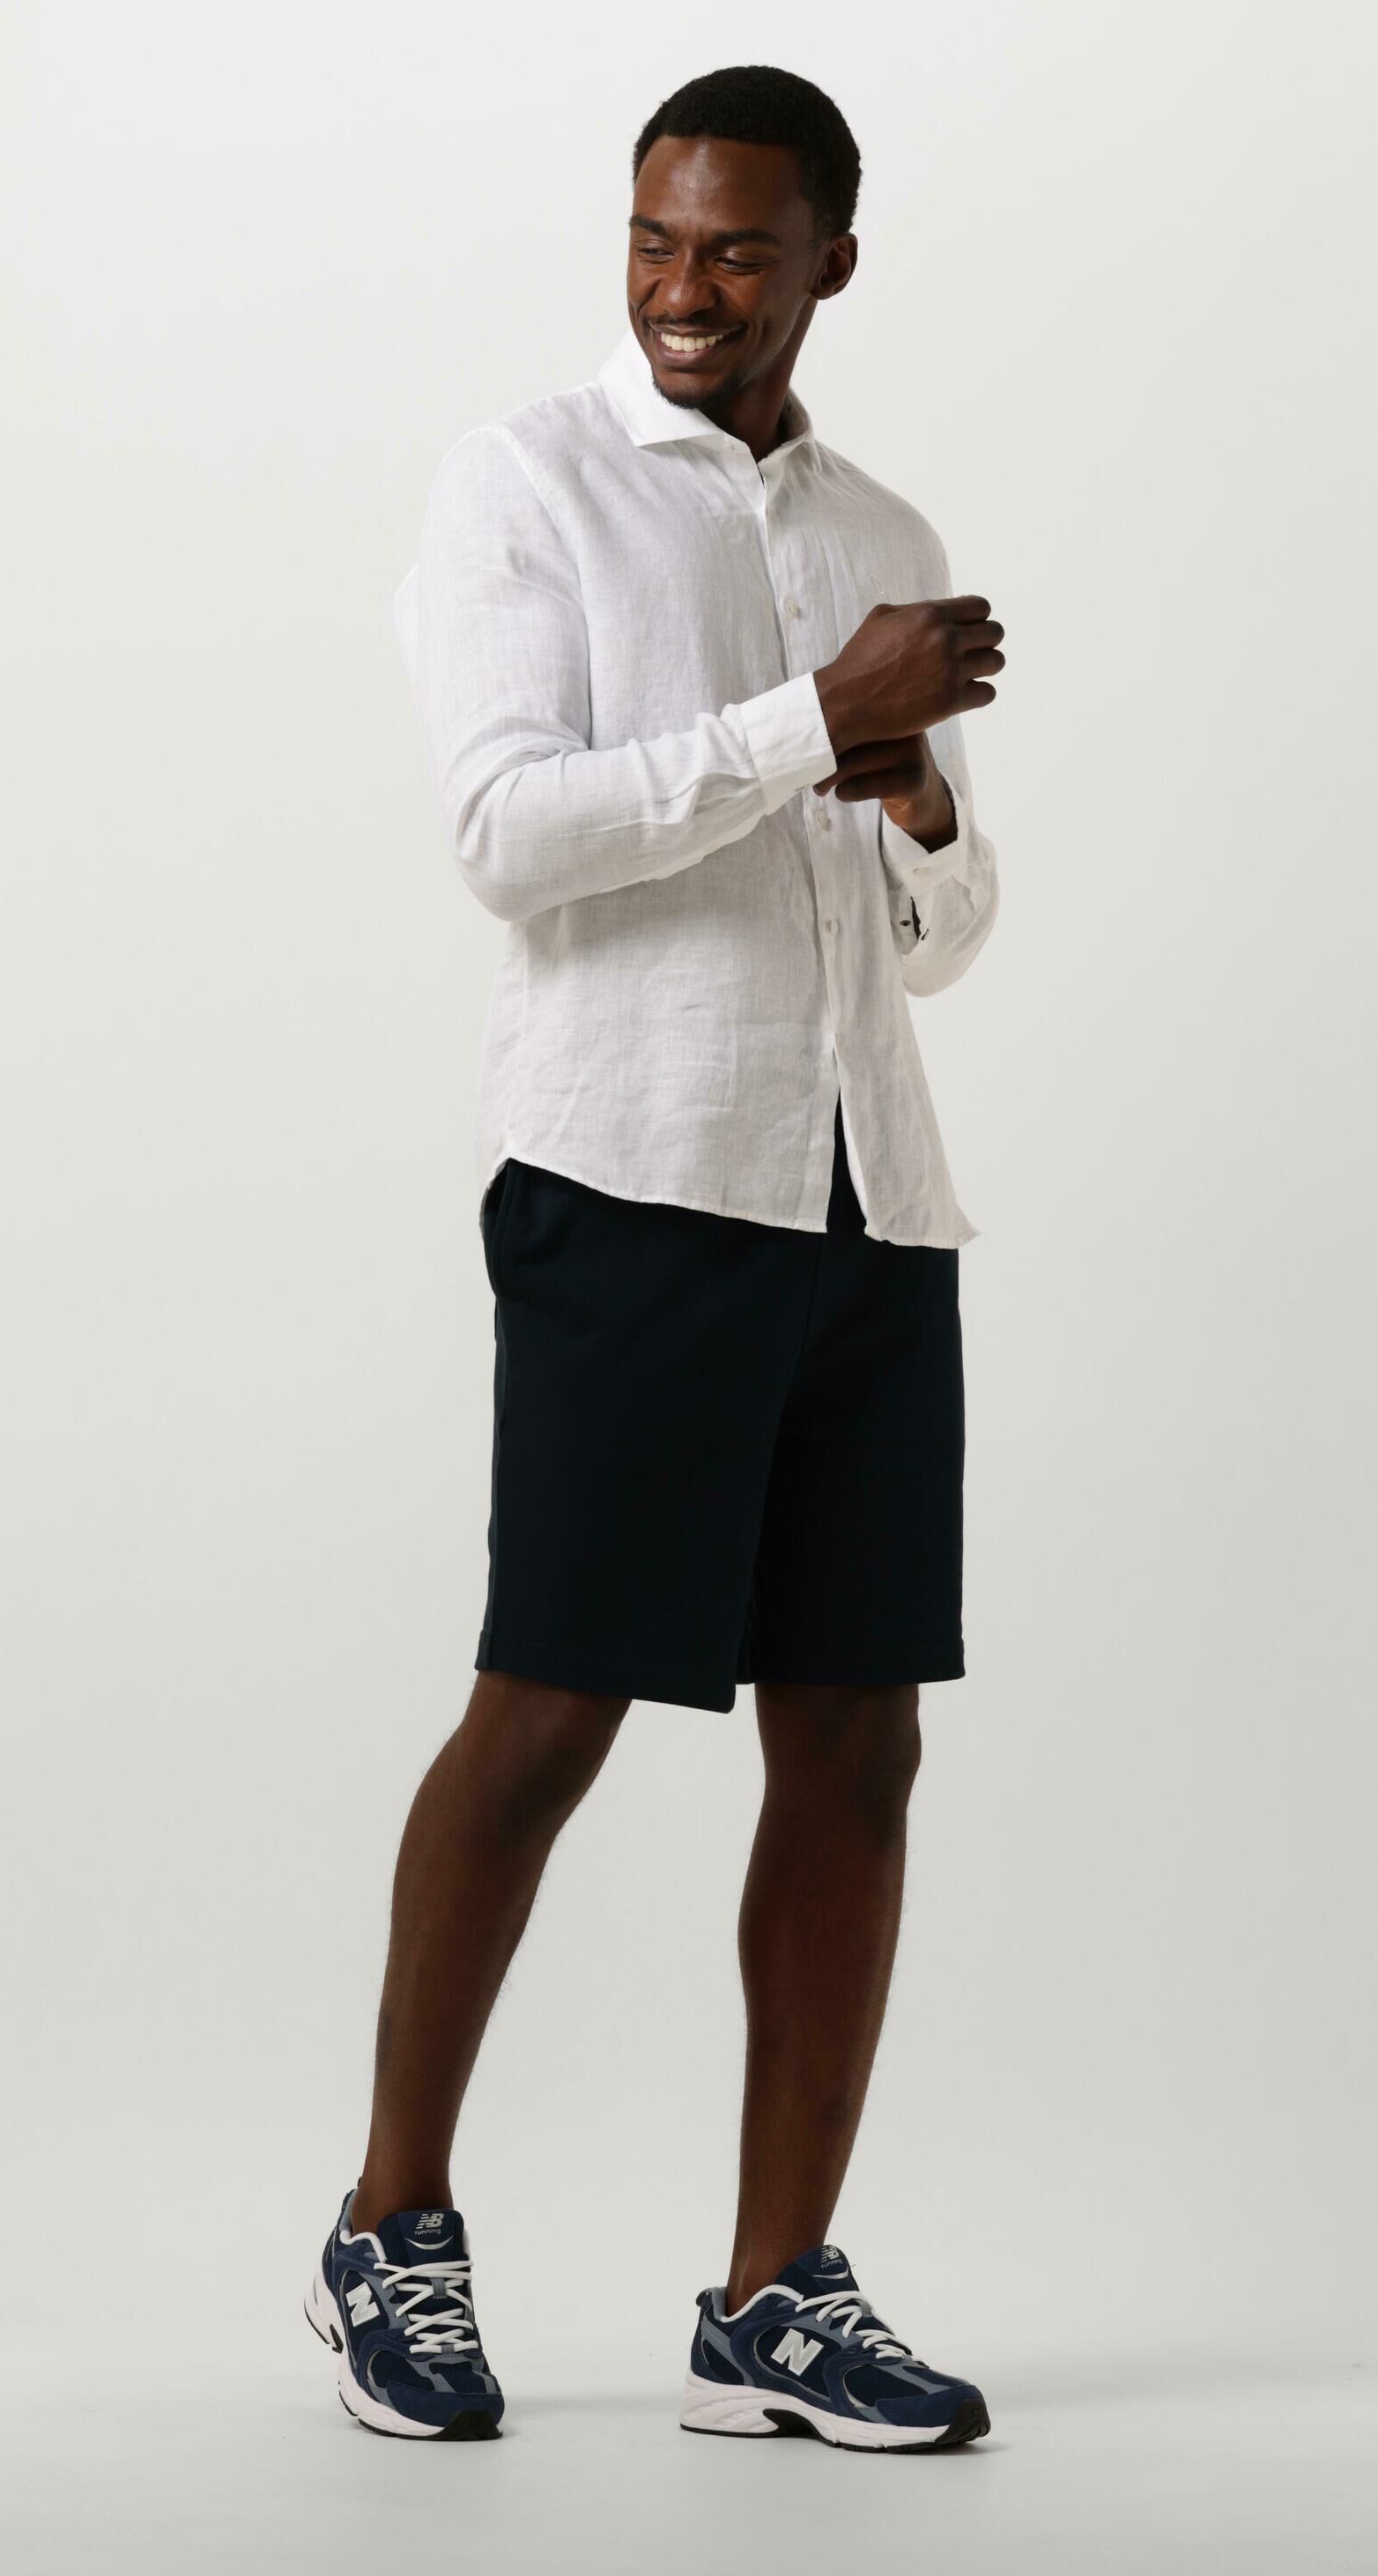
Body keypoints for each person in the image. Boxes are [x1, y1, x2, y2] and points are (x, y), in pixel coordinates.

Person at [305, 62, 1006, 2451]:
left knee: (859, 1739)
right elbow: (506, 835)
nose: (683, 290)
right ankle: (388, 2223)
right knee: (551, 1709)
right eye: (652, 241)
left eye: (734, 250)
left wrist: (914, 790)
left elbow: (941, 938)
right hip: (631, 1176)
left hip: (864, 1197)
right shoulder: (525, 483)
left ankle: (772, 2296)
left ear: (829, 259)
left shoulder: (884, 528)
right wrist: (815, 718)